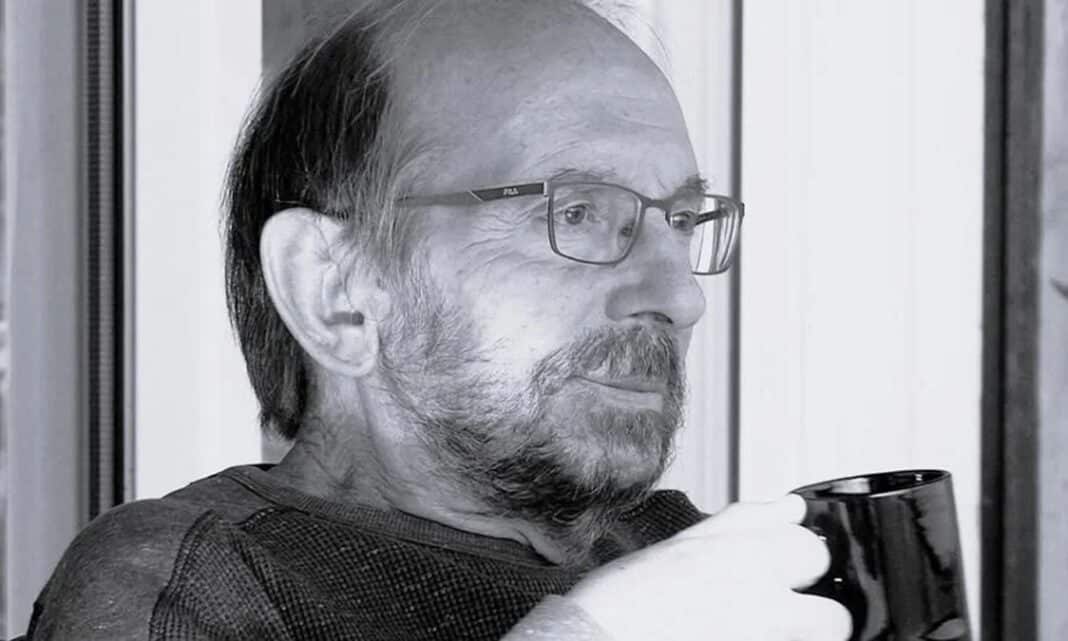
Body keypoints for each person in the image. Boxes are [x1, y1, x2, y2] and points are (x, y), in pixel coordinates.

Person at [23, 1, 851, 639]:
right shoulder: (193, 580)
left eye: (682, 219)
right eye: (577, 212)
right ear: (335, 289)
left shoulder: (690, 556)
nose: (681, 297)